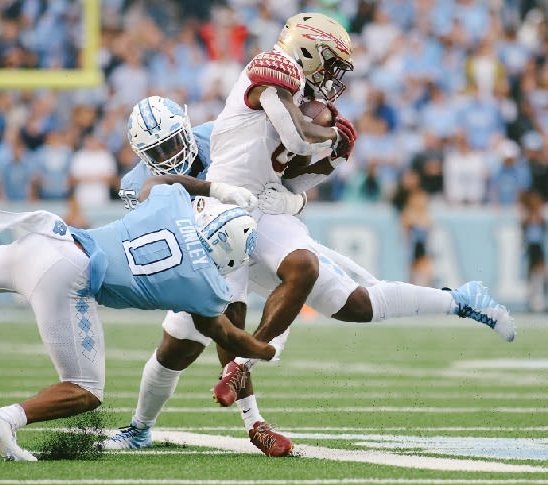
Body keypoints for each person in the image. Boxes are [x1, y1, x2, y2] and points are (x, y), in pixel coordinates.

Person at [208, 12, 515, 421]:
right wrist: (330, 135)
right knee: (219, 316)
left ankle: (461, 299)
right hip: (223, 207)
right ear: (307, 48)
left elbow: (291, 182)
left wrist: (332, 162)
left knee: (352, 302)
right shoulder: (271, 68)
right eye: (331, 62)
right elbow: (298, 136)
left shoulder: (303, 101)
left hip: (262, 208)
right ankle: (179, 417)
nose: (334, 76)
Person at [0, 174, 285, 462]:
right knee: (85, 389)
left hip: (48, 238)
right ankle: (5, 419)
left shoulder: (172, 206)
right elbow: (224, 335)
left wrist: (216, 189)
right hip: (68, 275)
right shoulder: (205, 287)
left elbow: (157, 182)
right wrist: (264, 349)